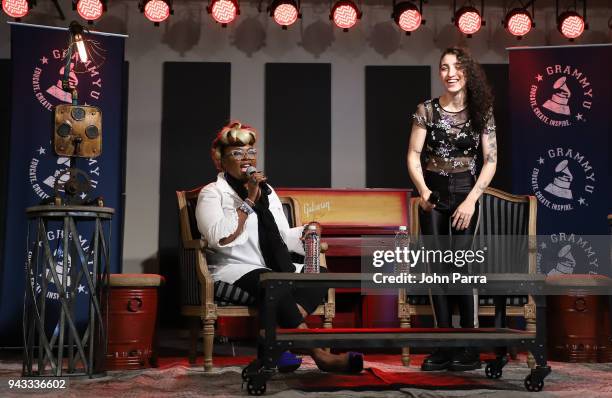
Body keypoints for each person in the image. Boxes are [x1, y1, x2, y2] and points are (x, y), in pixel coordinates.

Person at [196, 121, 363, 373]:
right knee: (272, 282)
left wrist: (307, 231)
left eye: (250, 152)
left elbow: (282, 236)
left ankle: (275, 344)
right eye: (237, 153)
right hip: (235, 267)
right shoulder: (212, 193)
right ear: (220, 160)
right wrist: (249, 200)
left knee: (319, 275)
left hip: (270, 264)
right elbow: (218, 237)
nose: (246, 158)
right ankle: (319, 354)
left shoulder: (268, 191)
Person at [406, 47, 497, 371]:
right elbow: (414, 155)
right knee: (437, 270)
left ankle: (469, 348)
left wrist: (472, 200)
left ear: (467, 72)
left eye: (457, 67)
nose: (450, 73)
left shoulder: (481, 111)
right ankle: (443, 346)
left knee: (461, 268)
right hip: (433, 196)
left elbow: (490, 160)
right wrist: (424, 192)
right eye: (444, 68)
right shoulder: (426, 110)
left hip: (465, 193)